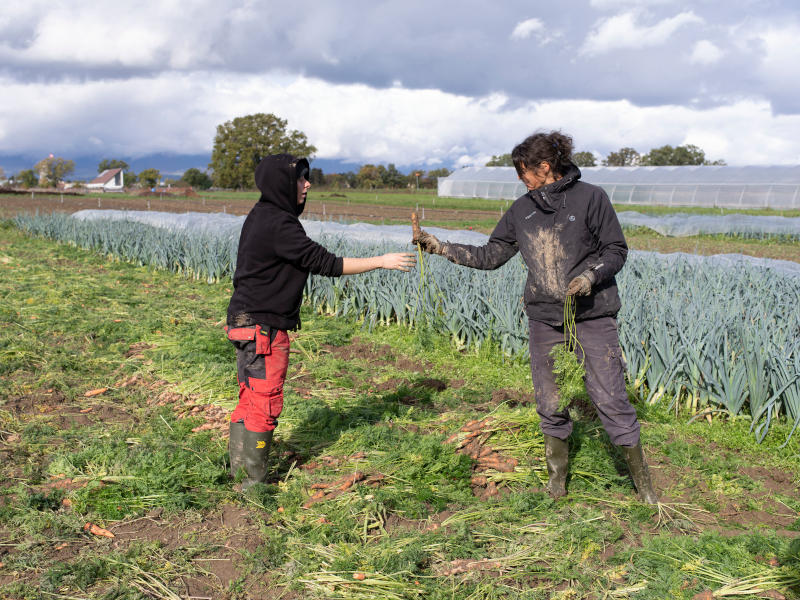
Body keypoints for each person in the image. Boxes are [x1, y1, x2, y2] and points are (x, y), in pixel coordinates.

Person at [415, 131, 657, 503]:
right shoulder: (522, 210)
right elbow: (490, 256)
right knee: (550, 400)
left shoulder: (591, 198)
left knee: (610, 399)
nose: (520, 179)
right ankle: (557, 483)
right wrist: (440, 247)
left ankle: (645, 490)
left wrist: (590, 277)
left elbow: (616, 250)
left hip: (592, 316)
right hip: (545, 319)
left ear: (545, 167)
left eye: (523, 171)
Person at [226, 153, 415, 490]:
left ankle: (239, 475)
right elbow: (324, 262)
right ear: (281, 183)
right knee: (265, 402)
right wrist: (382, 261)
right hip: (263, 328)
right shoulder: (279, 223)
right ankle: (252, 487)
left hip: (245, 321)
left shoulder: (261, 214)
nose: (307, 184)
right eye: (300, 178)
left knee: (250, 398)